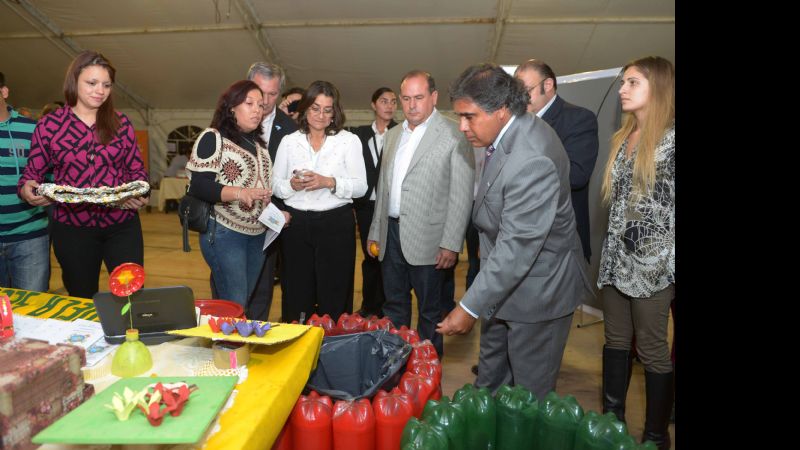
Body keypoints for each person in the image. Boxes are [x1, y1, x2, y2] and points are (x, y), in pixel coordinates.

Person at [437, 63, 593, 400]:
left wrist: (468, 307)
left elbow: (518, 246)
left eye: (469, 116)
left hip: (538, 294)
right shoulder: (512, 130)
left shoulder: (531, 158)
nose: (462, 127)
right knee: (490, 384)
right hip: (504, 290)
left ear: (502, 109)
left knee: (527, 401)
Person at [18, 51, 149, 299]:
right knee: (82, 298)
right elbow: (30, 175)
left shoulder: (121, 123)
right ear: (74, 81)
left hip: (121, 226)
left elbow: (138, 172)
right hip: (72, 230)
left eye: (106, 85)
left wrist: (141, 193)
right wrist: (27, 190)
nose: (100, 90)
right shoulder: (49, 126)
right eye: (92, 83)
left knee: (131, 297)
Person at [368, 70, 474, 358]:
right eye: (406, 98)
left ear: (433, 97)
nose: (412, 105)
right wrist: (375, 231)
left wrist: (451, 243)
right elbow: (383, 187)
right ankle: (395, 369)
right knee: (394, 307)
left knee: (430, 311)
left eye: (419, 97)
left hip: (430, 240)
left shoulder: (454, 133)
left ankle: (427, 374)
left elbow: (461, 194)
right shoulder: (391, 136)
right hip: (391, 234)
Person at [597, 56, 674, 450]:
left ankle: (657, 437)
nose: (623, 90)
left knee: (653, 350)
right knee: (615, 342)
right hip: (615, 263)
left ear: (657, 88)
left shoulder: (673, 143)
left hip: (654, 268)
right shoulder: (622, 138)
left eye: (633, 82)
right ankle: (612, 424)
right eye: (623, 82)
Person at [272, 80, 366, 323]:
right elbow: (275, 186)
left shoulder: (349, 141)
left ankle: (333, 348)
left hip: (336, 224)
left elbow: (361, 187)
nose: (320, 115)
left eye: (327, 109)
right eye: (315, 108)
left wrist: (329, 182)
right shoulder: (289, 141)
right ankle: (298, 347)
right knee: (296, 292)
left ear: (335, 112)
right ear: (305, 109)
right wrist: (291, 185)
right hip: (297, 225)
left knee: (334, 292)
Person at [186, 79, 277, 307]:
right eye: (249, 103)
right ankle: (226, 343)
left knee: (241, 300)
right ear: (231, 107)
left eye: (260, 105)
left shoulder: (260, 146)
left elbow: (261, 190)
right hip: (225, 233)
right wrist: (239, 193)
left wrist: (277, 214)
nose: (257, 110)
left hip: (258, 235)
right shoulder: (213, 138)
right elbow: (199, 185)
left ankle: (227, 341)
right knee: (234, 301)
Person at [514, 59, 599, 261]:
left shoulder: (578, 118)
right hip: (522, 240)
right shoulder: (517, 123)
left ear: (548, 85)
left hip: (562, 242)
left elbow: (577, 175)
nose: (520, 99)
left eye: (526, 90)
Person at [245, 62, 299, 320]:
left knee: (262, 290)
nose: (265, 100)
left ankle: (253, 343)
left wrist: (283, 212)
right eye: (259, 91)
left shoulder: (291, 130)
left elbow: (294, 179)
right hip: (231, 225)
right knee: (229, 291)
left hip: (271, 225)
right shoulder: (228, 123)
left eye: (273, 94)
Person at [351, 87, 398, 317]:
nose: (389, 106)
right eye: (383, 101)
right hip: (366, 205)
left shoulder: (401, 132)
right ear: (373, 105)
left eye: (393, 101)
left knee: (389, 258)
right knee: (370, 256)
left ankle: (388, 307)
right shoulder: (358, 134)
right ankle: (369, 306)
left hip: (390, 205)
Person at [1, 72, 49, 291]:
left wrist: (47, 193)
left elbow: (50, 175)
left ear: (4, 92)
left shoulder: (33, 130)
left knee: (33, 312)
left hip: (29, 237)